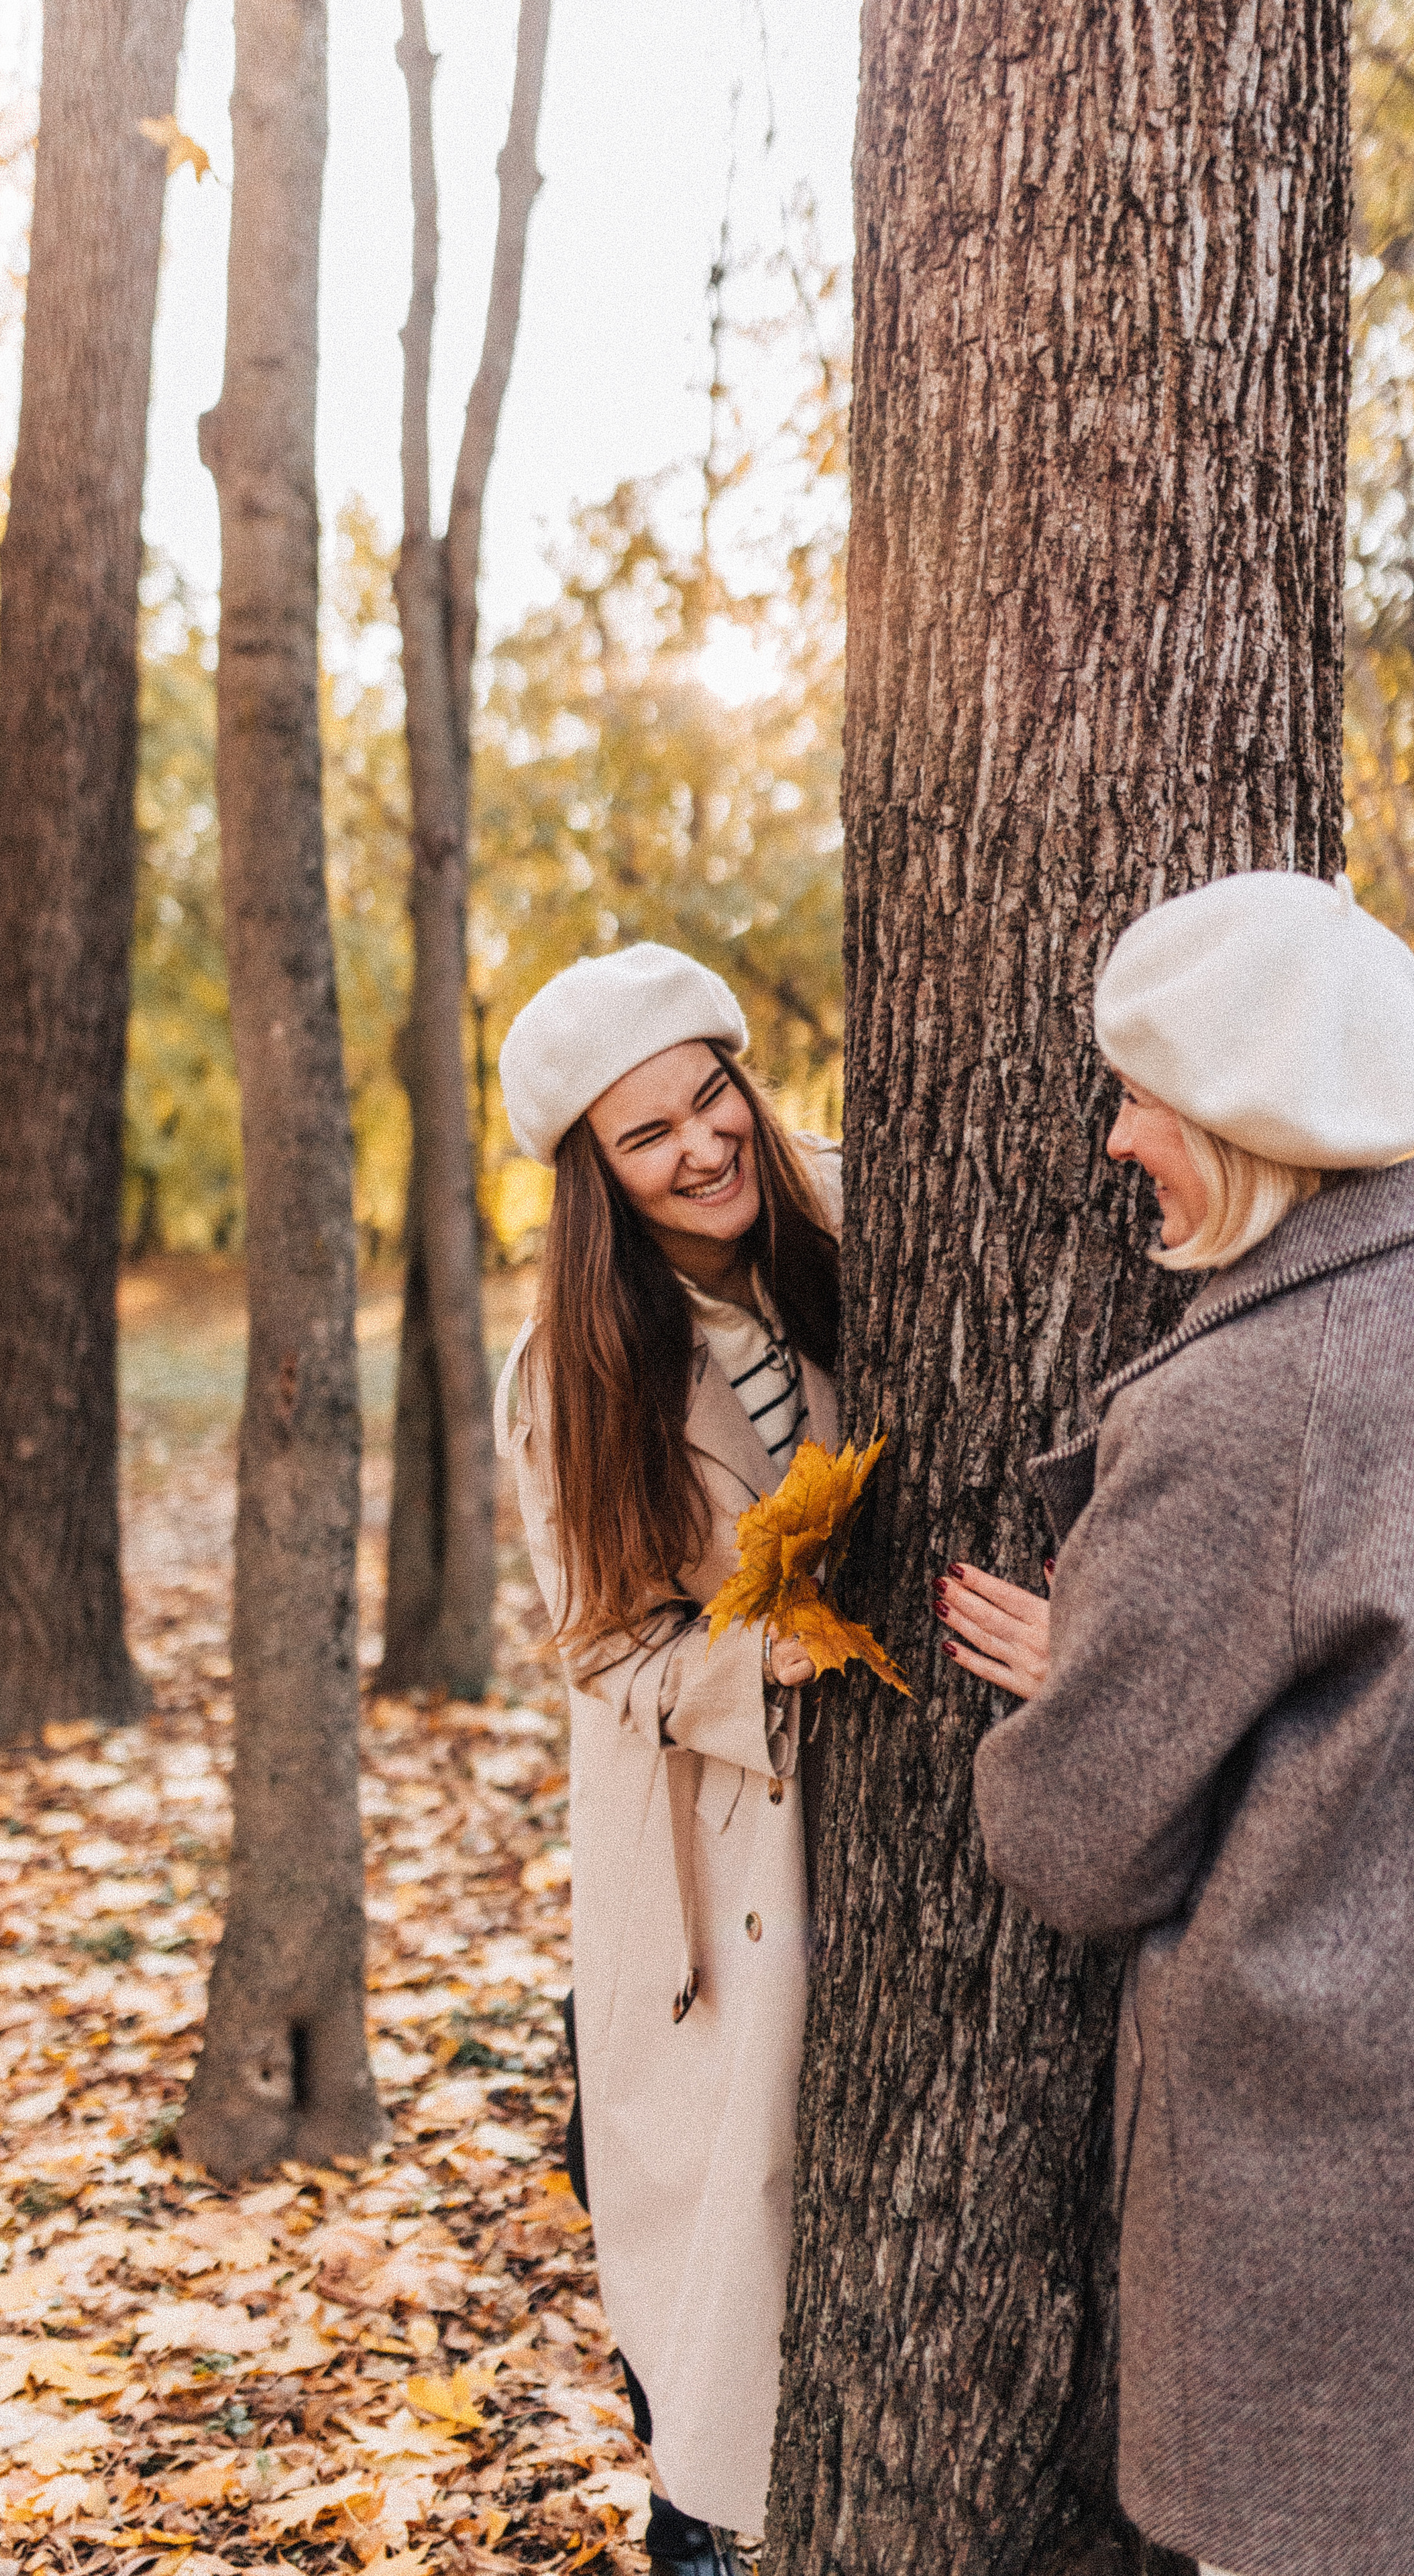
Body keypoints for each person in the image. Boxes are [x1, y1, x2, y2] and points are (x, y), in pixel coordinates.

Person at [940, 871, 1414, 2576]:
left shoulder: (1239, 1397)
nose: (1110, 1139)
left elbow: (1075, 1846)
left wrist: (1075, 1696)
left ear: (1246, 1117)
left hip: (1321, 2208)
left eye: (1138, 1097)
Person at [492, 943, 840, 2576]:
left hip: (867, 1829)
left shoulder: (847, 1217)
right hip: (707, 1852)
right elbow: (603, 1642)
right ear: (596, 1182)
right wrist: (748, 1661)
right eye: (650, 1139)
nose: (702, 1149)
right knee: (710, 2290)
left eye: (713, 1100)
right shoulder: (573, 1372)